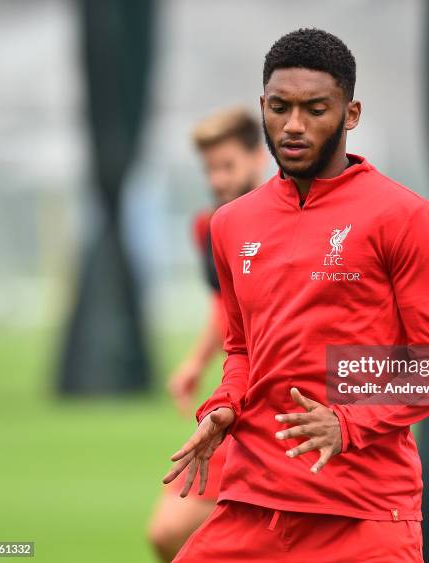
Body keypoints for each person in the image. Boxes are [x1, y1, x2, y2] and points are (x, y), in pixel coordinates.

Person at [163, 28, 429, 562]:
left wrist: (349, 422)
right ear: (262, 107)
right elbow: (242, 351)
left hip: (364, 517)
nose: (294, 126)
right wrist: (225, 405)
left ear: (351, 114)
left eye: (315, 108)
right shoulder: (231, 223)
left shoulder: (405, 217)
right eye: (279, 107)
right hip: (252, 507)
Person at [148, 107, 267, 562]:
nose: (217, 179)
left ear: (258, 157)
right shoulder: (211, 227)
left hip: (288, 399)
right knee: (167, 533)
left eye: (227, 165)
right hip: (239, 401)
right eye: (210, 169)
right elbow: (227, 307)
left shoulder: (296, 218)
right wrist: (196, 363)